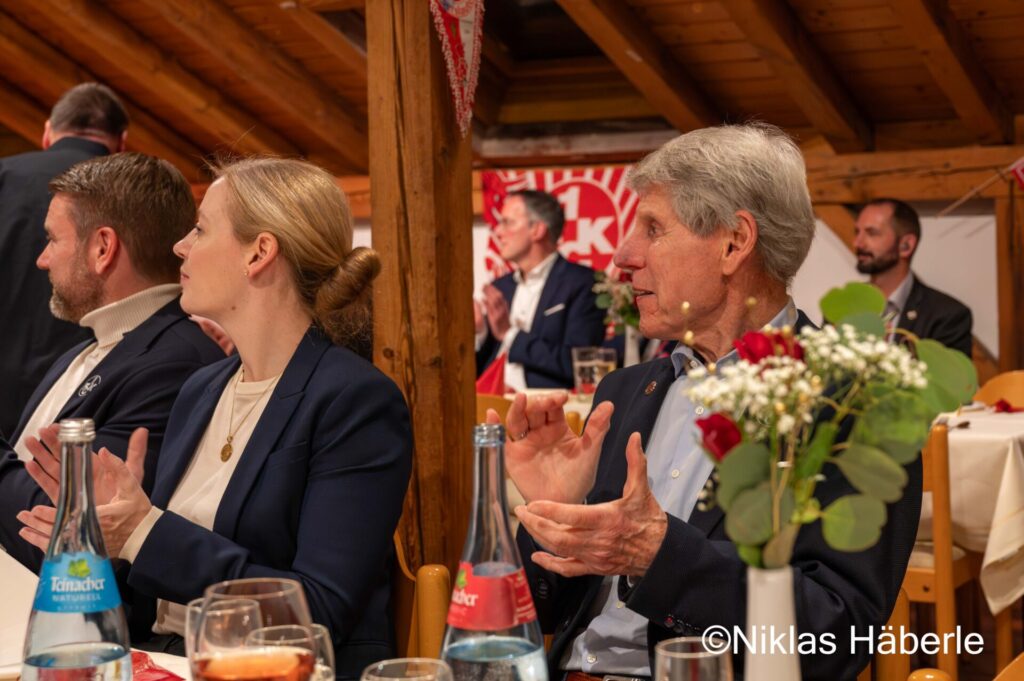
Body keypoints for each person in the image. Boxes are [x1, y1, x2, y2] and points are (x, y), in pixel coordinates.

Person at [496, 124, 920, 680]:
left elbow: (836, 636)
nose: (623, 255)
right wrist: (553, 516)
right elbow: (544, 614)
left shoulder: (853, 403)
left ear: (734, 243)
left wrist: (660, 555)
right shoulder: (623, 391)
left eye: (653, 228)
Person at [18, 158, 413, 679]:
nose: (181, 247)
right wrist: (95, 542)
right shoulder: (202, 388)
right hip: (165, 661)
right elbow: (156, 590)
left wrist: (142, 531)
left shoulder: (355, 401)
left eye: (200, 230)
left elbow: (318, 611)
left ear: (259, 253)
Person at [0, 152, 225, 569]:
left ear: (103, 247)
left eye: (53, 239)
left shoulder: (176, 363)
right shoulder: (81, 352)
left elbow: (66, 538)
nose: (42, 259)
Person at [0, 83, 129, 437]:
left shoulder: (3, 176)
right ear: (122, 142)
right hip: (84, 403)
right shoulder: (128, 196)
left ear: (47, 133)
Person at [476, 190, 606, 391]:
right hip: (490, 399)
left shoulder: (583, 283)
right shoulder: (501, 287)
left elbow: (579, 364)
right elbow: (481, 363)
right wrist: (480, 332)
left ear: (537, 230)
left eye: (507, 223)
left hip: (543, 402)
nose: (498, 232)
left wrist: (510, 334)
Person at [854, 198, 973, 357]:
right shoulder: (843, 307)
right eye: (857, 232)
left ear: (906, 245)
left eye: (872, 233)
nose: (858, 243)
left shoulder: (946, 316)